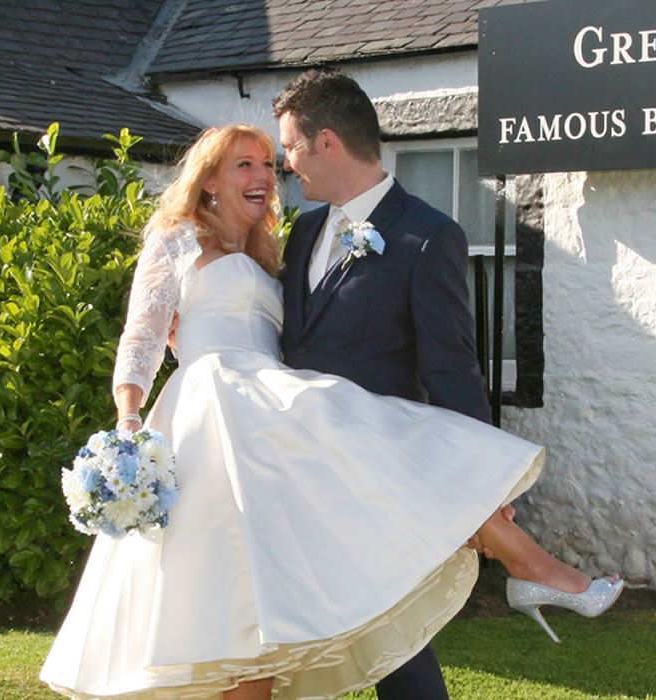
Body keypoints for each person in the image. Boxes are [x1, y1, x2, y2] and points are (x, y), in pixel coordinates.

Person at [39, 121, 620, 700]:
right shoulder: (177, 238)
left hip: (269, 412)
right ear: (209, 179)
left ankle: (532, 567)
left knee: (282, 576)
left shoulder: (278, 250)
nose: (266, 174)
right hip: (212, 412)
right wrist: (129, 422)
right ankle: (535, 568)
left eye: (269, 162)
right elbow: (141, 336)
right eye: (245, 164)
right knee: (232, 598)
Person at [271, 66, 619, 699]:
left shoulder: (426, 237)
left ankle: (532, 565)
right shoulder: (300, 233)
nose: (285, 162)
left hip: (373, 471)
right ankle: (533, 567)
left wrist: (485, 475)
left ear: (327, 142)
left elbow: (451, 368)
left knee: (391, 629)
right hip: (297, 465)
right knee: (348, 628)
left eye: (290, 145)